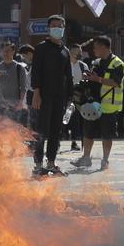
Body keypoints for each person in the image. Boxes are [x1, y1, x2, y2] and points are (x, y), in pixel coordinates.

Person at [73, 36, 124, 171]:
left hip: (109, 105)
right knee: (88, 131)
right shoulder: (95, 62)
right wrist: (88, 78)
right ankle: (86, 158)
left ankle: (105, 160)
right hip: (92, 102)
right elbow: (92, 79)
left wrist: (97, 79)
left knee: (106, 134)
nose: (94, 50)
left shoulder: (118, 63)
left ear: (104, 47)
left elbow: (115, 82)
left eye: (96, 47)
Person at [30, 15, 73, 176]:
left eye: (59, 26)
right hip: (44, 96)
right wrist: (36, 92)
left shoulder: (65, 51)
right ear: (49, 29)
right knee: (41, 130)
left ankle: (51, 163)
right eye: (54, 26)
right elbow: (36, 72)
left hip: (59, 97)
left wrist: (70, 98)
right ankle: (38, 164)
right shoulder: (41, 48)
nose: (57, 28)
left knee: (56, 131)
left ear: (63, 28)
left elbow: (68, 76)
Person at [0, 41, 28, 122]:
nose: (5, 53)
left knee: (13, 129)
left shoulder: (19, 68)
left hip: (14, 105)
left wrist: (21, 102)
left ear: (13, 52)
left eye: (8, 50)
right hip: (1, 104)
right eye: (3, 51)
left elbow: (23, 87)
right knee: (0, 128)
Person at [67, 44, 85, 149]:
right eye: (77, 52)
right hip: (65, 94)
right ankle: (58, 142)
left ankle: (75, 141)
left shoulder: (83, 66)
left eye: (80, 52)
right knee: (63, 119)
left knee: (77, 119)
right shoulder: (64, 64)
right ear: (71, 52)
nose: (79, 54)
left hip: (79, 95)